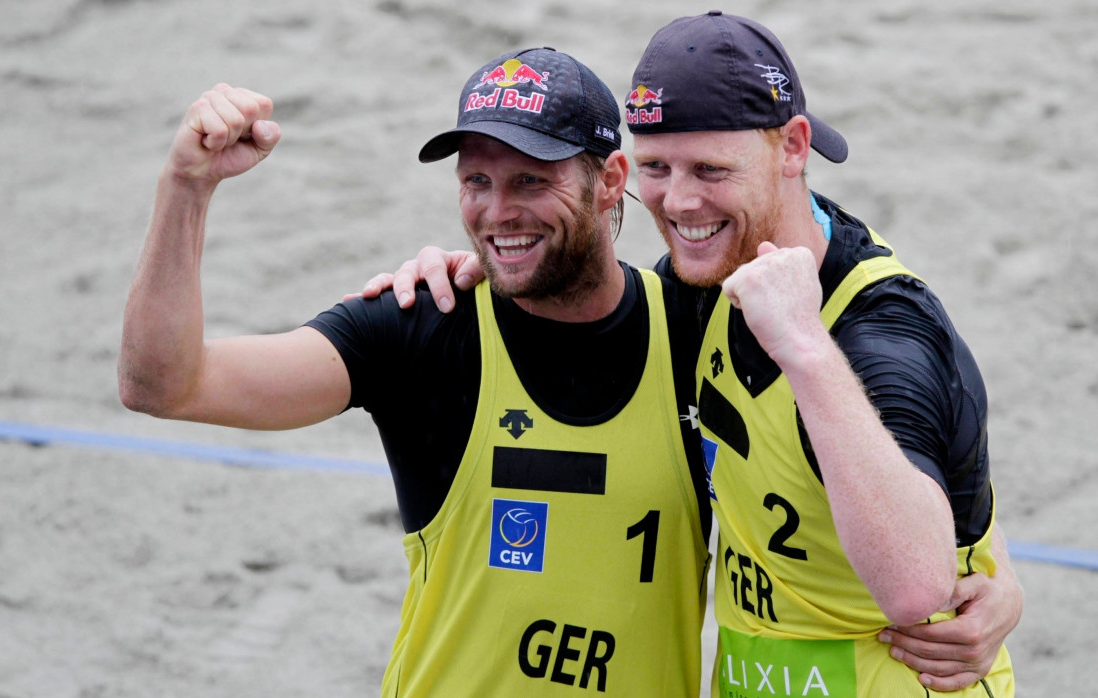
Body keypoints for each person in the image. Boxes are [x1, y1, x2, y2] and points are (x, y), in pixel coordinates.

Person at [366, 13, 1020, 696]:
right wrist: (474, 267)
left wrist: (804, 349)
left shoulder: (882, 333)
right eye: (656, 168)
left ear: (793, 147)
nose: (678, 202)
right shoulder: (700, 284)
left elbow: (918, 584)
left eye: (709, 169)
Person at [118, 48, 712, 696]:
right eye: (476, 181)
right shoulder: (423, 328)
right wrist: (186, 187)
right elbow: (164, 385)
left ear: (610, 179)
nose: (497, 212)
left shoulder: (694, 333)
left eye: (531, 182)